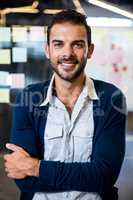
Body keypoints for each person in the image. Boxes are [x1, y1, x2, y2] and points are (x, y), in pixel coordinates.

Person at [4, 9, 127, 200]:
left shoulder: (111, 97)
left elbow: (104, 176)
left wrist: (36, 167)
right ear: (48, 50)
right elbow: (24, 180)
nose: (67, 53)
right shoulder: (28, 98)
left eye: (77, 45)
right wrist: (87, 176)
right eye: (58, 44)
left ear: (90, 50)